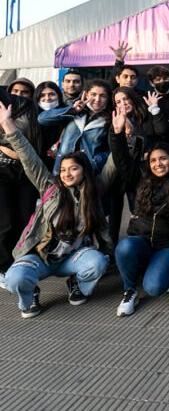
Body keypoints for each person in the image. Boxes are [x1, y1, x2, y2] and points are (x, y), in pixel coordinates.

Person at [0, 101, 114, 318]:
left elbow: (114, 164)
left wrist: (120, 133)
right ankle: (30, 294)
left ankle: (77, 283)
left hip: (71, 258)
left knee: (98, 262)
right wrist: (8, 125)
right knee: (15, 279)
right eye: (63, 169)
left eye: (74, 169)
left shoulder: (94, 191)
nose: (67, 173)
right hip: (40, 257)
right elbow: (29, 157)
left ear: (84, 171)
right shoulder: (49, 187)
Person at [110, 107, 169, 316]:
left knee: (154, 288)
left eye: (163, 159)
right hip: (142, 240)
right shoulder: (141, 179)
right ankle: (129, 290)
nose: (158, 164)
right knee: (124, 247)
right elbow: (122, 161)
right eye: (153, 160)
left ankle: (167, 269)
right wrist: (117, 135)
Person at [108, 87, 169, 244]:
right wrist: (120, 132)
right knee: (115, 215)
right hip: (124, 174)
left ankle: (149, 244)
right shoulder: (116, 122)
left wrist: (134, 130)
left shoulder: (147, 115)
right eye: (118, 102)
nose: (123, 103)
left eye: (125, 99)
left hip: (145, 174)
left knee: (144, 212)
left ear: (132, 98)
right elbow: (116, 151)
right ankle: (113, 249)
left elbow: (162, 133)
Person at [0, 88, 41, 280]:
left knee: (26, 220)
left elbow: (30, 139)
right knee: (6, 222)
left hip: (26, 169)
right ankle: (4, 267)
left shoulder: (22, 103)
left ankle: (21, 263)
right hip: (1, 172)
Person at [38, 79, 112, 175]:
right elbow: (42, 119)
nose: (97, 99)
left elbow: (111, 150)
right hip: (62, 171)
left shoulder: (110, 119)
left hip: (89, 173)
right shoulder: (73, 110)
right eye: (93, 94)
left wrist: (95, 161)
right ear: (86, 94)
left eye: (103, 96)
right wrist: (73, 110)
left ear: (108, 98)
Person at [32, 81, 66, 170]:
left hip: (61, 165)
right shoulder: (31, 117)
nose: (47, 98)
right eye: (42, 95)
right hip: (36, 164)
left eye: (51, 94)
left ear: (59, 95)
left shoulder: (68, 116)